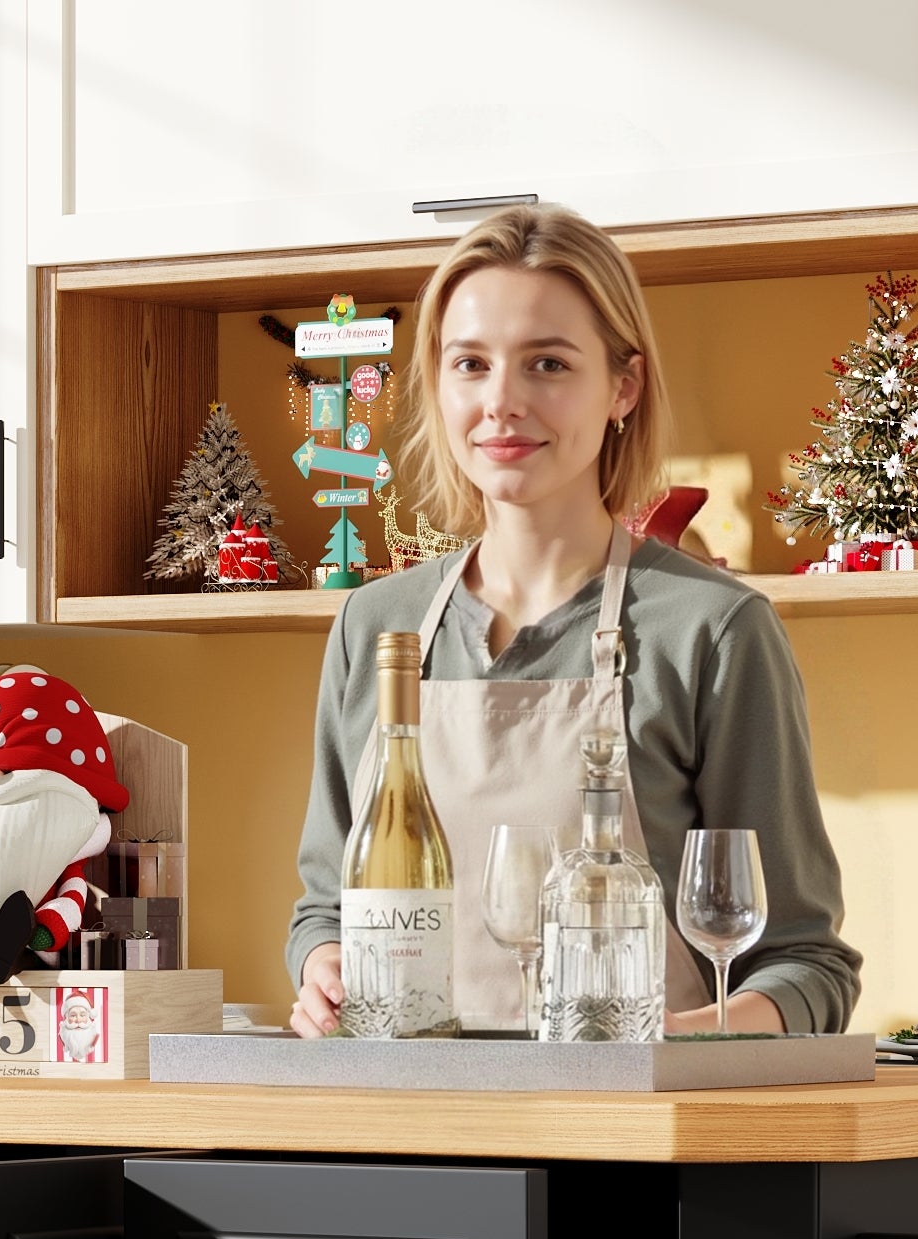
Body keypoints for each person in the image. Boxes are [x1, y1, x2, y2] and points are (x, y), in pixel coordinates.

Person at [289, 204, 859, 1036]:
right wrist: (326, 970)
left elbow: (806, 963)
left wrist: (675, 1043)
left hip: (630, 1140)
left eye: (548, 364)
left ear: (622, 387)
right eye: (471, 364)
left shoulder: (712, 631)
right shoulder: (380, 626)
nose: (502, 403)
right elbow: (324, 909)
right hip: (408, 1121)